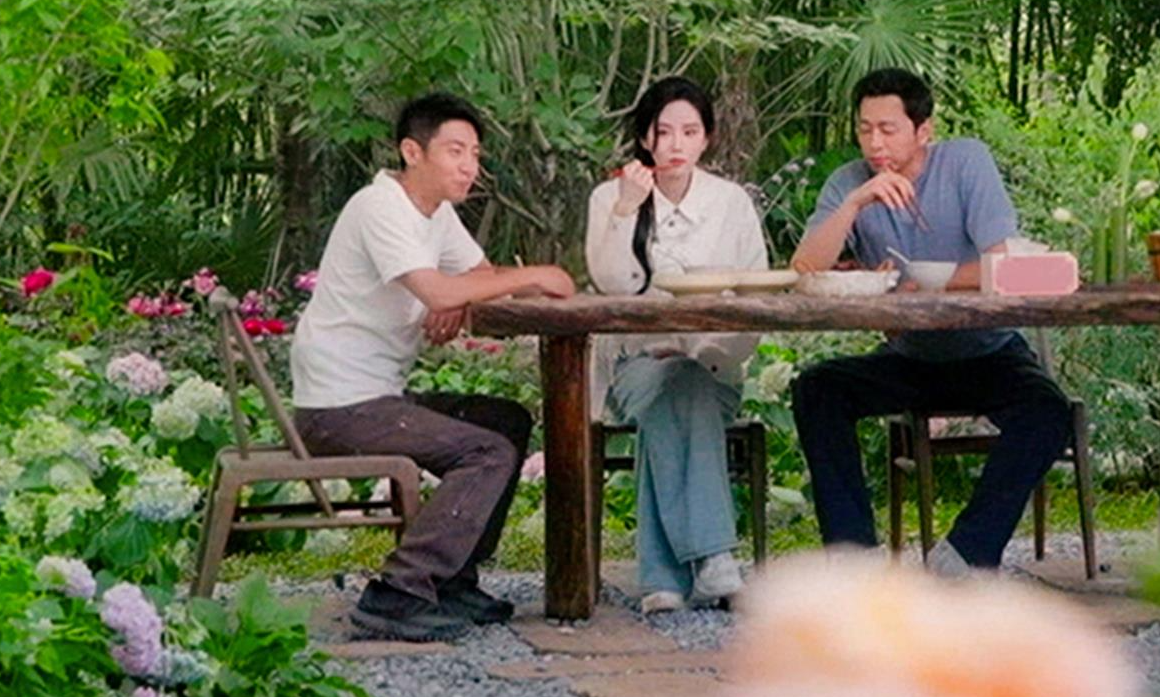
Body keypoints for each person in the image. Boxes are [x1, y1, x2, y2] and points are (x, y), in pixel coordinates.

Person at [291, 93, 577, 641]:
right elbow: (441, 285)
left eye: (475, 153)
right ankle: (398, 591)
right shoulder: (380, 207)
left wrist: (460, 299)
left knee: (506, 422)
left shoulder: (436, 215)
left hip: (378, 399)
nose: (470, 165)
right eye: (455, 151)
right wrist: (534, 274)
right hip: (339, 408)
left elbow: (477, 274)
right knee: (485, 451)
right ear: (411, 152)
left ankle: (452, 579)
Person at [788, 68, 1074, 575]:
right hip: (910, 358)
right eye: (864, 128)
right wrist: (857, 202)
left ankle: (964, 555)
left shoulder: (965, 162)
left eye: (888, 129)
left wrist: (933, 284)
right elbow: (804, 268)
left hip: (988, 351)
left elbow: (1001, 262)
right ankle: (855, 561)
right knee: (818, 388)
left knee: (1048, 411)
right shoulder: (849, 182)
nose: (874, 142)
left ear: (924, 131)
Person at [583, 77, 768, 614]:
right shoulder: (611, 197)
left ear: (707, 138)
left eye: (689, 131)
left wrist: (707, 354)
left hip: (714, 368)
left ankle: (663, 577)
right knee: (668, 388)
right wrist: (625, 208)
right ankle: (714, 559)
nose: (676, 144)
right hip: (634, 366)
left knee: (683, 386)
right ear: (645, 139)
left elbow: (756, 297)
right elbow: (610, 286)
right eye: (664, 132)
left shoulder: (731, 203)